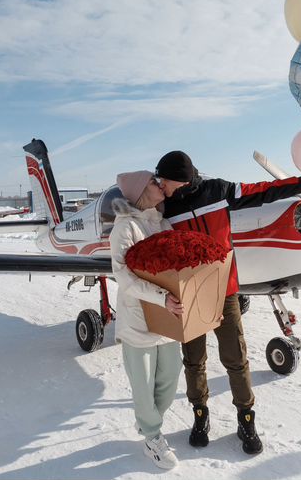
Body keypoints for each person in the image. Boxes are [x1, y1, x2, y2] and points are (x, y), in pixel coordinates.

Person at [155, 151, 301, 454]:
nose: (161, 184)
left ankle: (246, 420)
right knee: (194, 360)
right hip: (190, 294)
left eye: (164, 179)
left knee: (236, 359)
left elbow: (262, 192)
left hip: (225, 291)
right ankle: (200, 417)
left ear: (180, 178)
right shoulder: (165, 207)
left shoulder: (217, 190)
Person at [110, 170, 185, 470]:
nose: (160, 184)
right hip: (137, 319)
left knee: (170, 376)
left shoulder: (162, 223)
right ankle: (152, 437)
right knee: (143, 383)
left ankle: (148, 422)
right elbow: (124, 277)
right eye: (154, 182)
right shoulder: (124, 228)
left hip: (164, 317)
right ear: (141, 191)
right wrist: (161, 298)